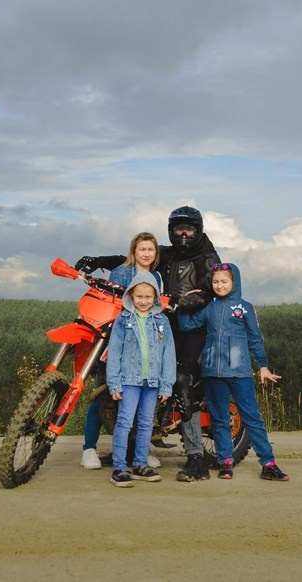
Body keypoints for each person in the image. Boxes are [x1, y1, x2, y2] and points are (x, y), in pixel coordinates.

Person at [77, 205, 221, 482]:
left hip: (191, 327)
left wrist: (183, 302)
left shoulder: (208, 257)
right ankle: (135, 448)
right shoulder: (168, 253)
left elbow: (210, 289)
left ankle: (195, 457)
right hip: (159, 322)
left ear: (199, 230)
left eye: (189, 229)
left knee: (182, 379)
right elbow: (131, 259)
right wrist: (98, 261)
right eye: (178, 229)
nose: (183, 234)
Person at [178, 262, 288, 482]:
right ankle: (225, 463)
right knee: (220, 420)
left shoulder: (245, 307)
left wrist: (262, 365)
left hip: (240, 373)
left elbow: (255, 338)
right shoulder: (208, 308)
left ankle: (268, 464)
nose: (219, 286)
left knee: (252, 418)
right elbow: (186, 325)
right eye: (215, 282)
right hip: (212, 373)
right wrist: (184, 305)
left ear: (234, 282)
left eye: (224, 281)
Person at [76, 232, 162, 470]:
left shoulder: (156, 276)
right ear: (133, 251)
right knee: (102, 391)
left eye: (151, 249)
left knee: (138, 398)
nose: (146, 254)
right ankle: (89, 448)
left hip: (142, 343)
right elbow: (107, 302)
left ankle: (137, 450)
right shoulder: (122, 272)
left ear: (156, 253)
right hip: (115, 338)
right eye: (142, 249)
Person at [104, 270, 176, 487]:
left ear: (155, 297)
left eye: (148, 297)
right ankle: (119, 467)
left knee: (146, 423)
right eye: (139, 297)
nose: (143, 301)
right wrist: (114, 382)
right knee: (125, 422)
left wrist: (166, 384)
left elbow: (169, 353)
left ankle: (140, 464)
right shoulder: (123, 319)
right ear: (130, 296)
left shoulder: (162, 321)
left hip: (152, 381)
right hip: (128, 380)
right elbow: (114, 351)